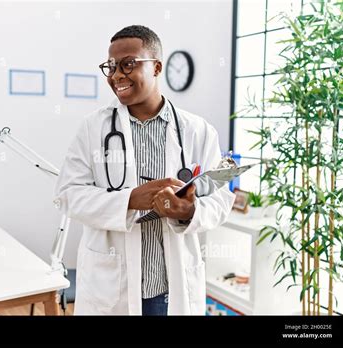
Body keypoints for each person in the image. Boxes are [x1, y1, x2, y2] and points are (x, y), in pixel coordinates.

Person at [54, 25, 235, 315]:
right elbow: (67, 195)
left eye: (128, 64)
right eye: (111, 67)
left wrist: (188, 210)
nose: (116, 76)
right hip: (113, 287)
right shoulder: (93, 128)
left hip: (170, 286)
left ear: (156, 67)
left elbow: (220, 198)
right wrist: (129, 200)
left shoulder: (198, 130)